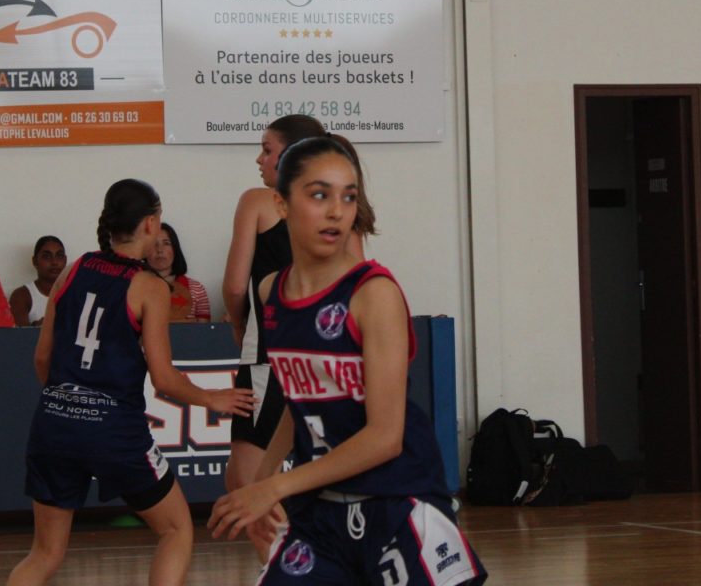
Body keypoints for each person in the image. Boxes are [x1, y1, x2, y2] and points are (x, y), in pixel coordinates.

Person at [210, 135, 485, 585]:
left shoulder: (374, 294)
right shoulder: (271, 291)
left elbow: (385, 438)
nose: (337, 211)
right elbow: (297, 402)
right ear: (281, 203)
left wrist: (275, 486)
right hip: (321, 511)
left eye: (348, 196)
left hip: (396, 503)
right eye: (320, 195)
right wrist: (260, 482)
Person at [7, 179, 255, 586]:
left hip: (52, 423)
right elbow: (164, 378)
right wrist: (212, 398)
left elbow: (41, 358)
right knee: (176, 529)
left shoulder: (73, 270)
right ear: (151, 223)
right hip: (114, 430)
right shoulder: (150, 287)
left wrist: (66, 404)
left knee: (44, 553)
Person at [223, 116, 372, 494]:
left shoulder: (257, 201)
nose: (259, 159)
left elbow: (235, 287)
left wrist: (239, 326)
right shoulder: (343, 215)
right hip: (326, 355)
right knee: (266, 476)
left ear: (291, 155)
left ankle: (292, 537)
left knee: (248, 483)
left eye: (267, 150)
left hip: (272, 351)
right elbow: (357, 289)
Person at [149, 223, 210, 322]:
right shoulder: (135, 286)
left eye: (166, 243)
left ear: (175, 249)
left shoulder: (196, 289)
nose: (160, 250)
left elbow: (204, 329)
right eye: (153, 244)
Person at [10, 235, 67, 327]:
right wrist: (36, 327)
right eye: (46, 256)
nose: (54, 262)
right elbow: (19, 334)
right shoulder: (22, 296)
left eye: (59, 256)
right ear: (35, 261)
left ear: (65, 260)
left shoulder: (76, 293)